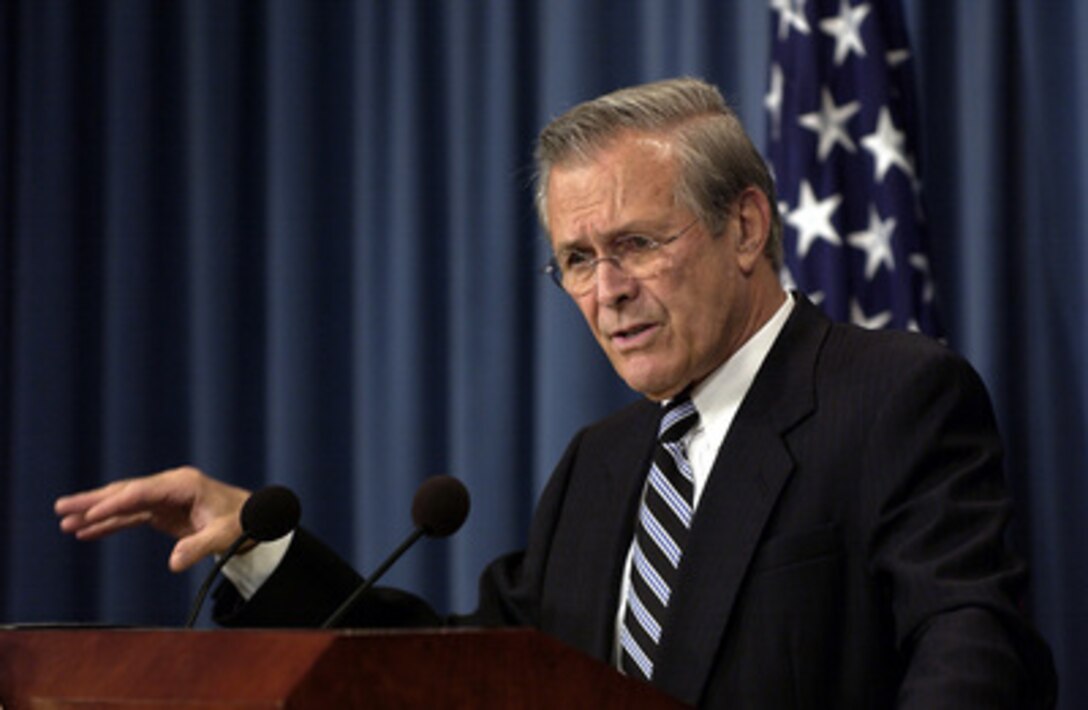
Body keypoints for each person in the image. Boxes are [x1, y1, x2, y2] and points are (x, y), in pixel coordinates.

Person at [55, 77, 1056, 708]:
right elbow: (458, 671)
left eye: (634, 245)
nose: (606, 290)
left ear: (744, 228)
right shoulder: (603, 461)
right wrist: (254, 543)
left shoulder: (891, 396)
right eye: (574, 259)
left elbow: (972, 650)